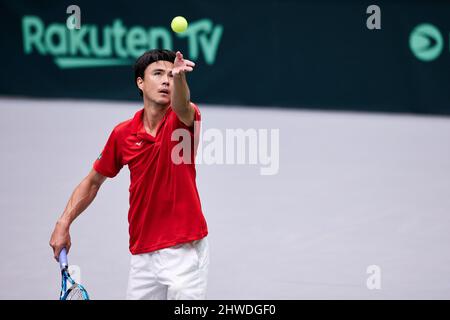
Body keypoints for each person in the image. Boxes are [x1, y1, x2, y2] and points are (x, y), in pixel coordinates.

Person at [49, 49, 209, 300]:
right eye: (158, 74)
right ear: (140, 83)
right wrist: (64, 222)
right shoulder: (123, 134)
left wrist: (181, 78)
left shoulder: (182, 120)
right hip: (142, 252)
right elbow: (92, 181)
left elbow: (182, 104)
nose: (166, 80)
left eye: (171, 75)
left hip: (185, 248)